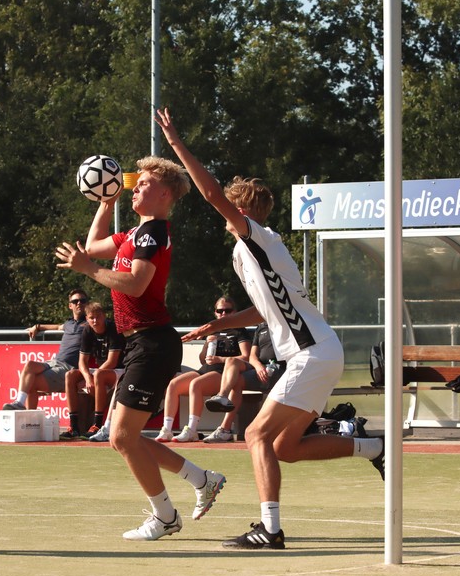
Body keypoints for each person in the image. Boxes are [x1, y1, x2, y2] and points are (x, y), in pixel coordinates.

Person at [156, 108, 385, 550]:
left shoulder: (258, 238)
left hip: (311, 353)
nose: (222, 211)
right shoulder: (250, 252)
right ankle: (373, 448)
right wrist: (217, 324)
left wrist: (176, 143)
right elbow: (263, 312)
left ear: (241, 211)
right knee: (284, 447)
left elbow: (210, 193)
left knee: (256, 434)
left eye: (229, 206)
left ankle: (270, 530)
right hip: (317, 352)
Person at [54, 155, 227, 541]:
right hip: (141, 343)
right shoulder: (135, 233)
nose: (135, 188)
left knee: (121, 437)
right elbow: (95, 244)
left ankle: (166, 516)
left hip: (153, 343)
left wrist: (88, 269)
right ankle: (203, 479)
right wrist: (107, 202)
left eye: (144, 183)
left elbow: (135, 284)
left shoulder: (153, 233)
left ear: (165, 194)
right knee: (126, 438)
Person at [154, 296, 250, 443]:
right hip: (205, 369)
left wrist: (220, 359)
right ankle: (167, 429)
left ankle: (191, 430)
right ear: (215, 313)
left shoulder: (240, 331)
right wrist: (206, 345)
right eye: (220, 311)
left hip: (223, 373)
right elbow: (202, 359)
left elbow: (246, 356)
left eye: (228, 310)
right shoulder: (213, 331)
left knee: (196, 384)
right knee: (174, 384)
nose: (223, 314)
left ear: (235, 312)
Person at [2, 289, 88, 410]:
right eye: (75, 301)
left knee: (31, 383)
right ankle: (19, 403)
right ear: (70, 306)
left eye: (82, 301)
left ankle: (23, 410)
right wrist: (37, 327)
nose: (79, 303)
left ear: (87, 304)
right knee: (30, 365)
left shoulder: (91, 323)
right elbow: (57, 327)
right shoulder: (69, 323)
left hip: (69, 368)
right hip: (55, 362)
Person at [203, 322, 286, 443]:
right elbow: (252, 356)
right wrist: (258, 367)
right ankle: (222, 400)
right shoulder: (261, 327)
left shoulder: (284, 323)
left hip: (280, 369)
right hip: (259, 368)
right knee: (232, 362)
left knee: (236, 380)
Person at [60, 301, 125, 440]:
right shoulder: (87, 330)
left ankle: (97, 425)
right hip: (100, 371)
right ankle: (74, 427)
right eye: (91, 318)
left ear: (104, 316)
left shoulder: (113, 329)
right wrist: (88, 378)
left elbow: (112, 362)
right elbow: (82, 361)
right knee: (70, 375)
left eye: (98, 317)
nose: (95, 321)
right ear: (87, 318)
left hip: (119, 371)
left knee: (99, 375)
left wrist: (93, 377)